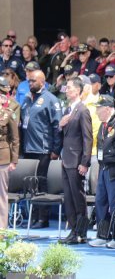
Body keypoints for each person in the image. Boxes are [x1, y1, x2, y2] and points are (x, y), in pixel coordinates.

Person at [21, 70, 62, 228]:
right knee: (30, 184)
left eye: (33, 81)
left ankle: (42, 219)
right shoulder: (27, 99)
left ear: (42, 82)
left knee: (41, 183)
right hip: (28, 148)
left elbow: (57, 127)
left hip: (43, 149)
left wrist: (56, 150)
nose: (30, 83)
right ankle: (32, 217)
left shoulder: (51, 100)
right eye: (29, 81)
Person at [89, 95, 115, 248]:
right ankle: (102, 235)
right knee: (101, 202)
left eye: (99, 108)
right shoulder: (104, 124)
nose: (97, 111)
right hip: (103, 167)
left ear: (107, 108)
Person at [59, 78, 93, 245]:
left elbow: (88, 138)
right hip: (66, 159)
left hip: (76, 159)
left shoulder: (82, 110)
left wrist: (85, 162)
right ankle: (73, 230)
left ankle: (81, 231)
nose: (67, 90)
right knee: (69, 197)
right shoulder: (68, 109)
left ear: (78, 90)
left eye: (70, 87)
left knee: (78, 197)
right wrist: (61, 124)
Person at [0, 76, 19, 229]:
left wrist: (14, 160)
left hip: (2, 157)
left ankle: (1, 230)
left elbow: (14, 138)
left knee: (1, 196)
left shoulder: (9, 110)